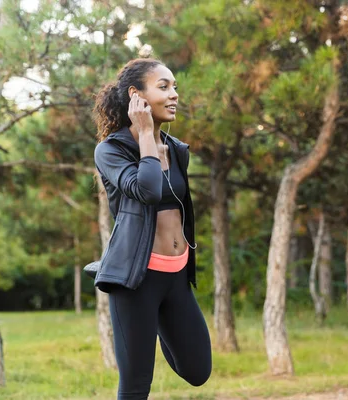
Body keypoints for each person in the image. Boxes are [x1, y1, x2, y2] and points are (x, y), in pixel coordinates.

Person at [92, 58, 212, 399]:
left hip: (176, 276)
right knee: (135, 385)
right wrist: (145, 132)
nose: (174, 94)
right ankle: (137, 312)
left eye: (174, 87)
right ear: (136, 96)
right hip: (136, 280)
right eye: (164, 87)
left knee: (197, 370)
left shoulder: (177, 150)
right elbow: (148, 190)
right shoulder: (111, 150)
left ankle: (154, 321)